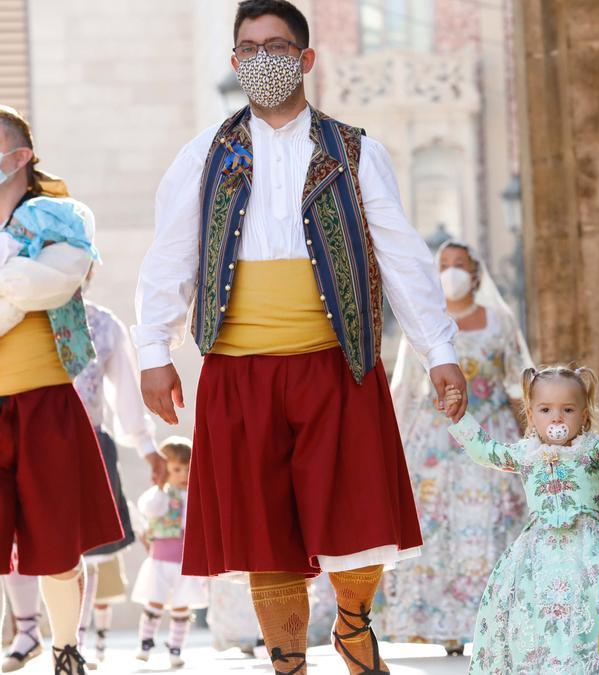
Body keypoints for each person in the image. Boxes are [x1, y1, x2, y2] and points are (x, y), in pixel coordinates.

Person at [133, 2, 467, 673]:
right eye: (248, 48)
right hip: (238, 367)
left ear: (306, 59)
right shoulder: (203, 155)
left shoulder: (356, 150)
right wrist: (152, 351)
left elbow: (400, 254)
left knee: (358, 518)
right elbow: (171, 256)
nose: (262, 60)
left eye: (277, 46)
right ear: (233, 62)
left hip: (337, 360)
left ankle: (351, 623)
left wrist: (440, 351)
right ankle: (289, 662)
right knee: (267, 534)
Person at [0, 105, 123, 675]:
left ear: (20, 156)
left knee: (55, 542)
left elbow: (50, 284)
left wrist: (17, 275)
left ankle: (66, 647)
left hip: (44, 400)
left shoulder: (62, 217)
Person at [376, 241, 530, 653]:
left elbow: (519, 383)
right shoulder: (424, 327)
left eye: (459, 265)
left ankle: (498, 618)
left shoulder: (499, 321)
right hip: (436, 444)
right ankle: (444, 626)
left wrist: (530, 439)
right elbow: (407, 389)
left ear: (476, 274)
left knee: (497, 524)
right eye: (443, 265)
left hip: (491, 436)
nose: (451, 272)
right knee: (438, 527)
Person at [440, 367, 599, 673]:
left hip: (590, 553)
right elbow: (486, 452)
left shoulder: (591, 453)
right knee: (537, 611)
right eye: (546, 410)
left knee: (589, 608)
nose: (557, 418)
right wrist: (459, 419)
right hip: (538, 555)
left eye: (568, 410)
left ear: (584, 416)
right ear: (531, 416)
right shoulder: (525, 455)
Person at [72, 298, 163, 664]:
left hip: (90, 442)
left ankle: (73, 640)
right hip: (29, 437)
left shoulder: (103, 324)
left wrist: (148, 448)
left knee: (89, 553)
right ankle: (29, 629)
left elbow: (125, 394)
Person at [130, 438, 207, 669]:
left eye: (187, 469)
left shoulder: (195, 495)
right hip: (161, 559)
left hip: (186, 561)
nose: (183, 475)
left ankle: (176, 648)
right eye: (176, 469)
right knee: (155, 601)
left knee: (182, 605)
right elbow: (149, 508)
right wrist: (161, 486)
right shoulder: (161, 495)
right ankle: (145, 642)